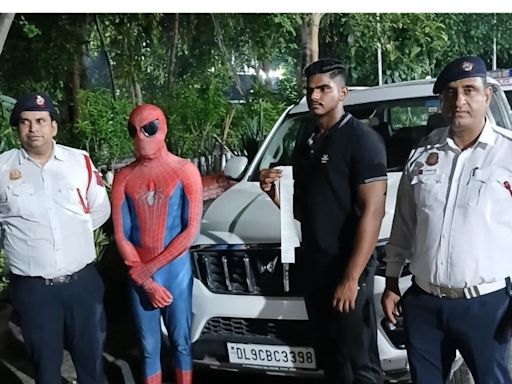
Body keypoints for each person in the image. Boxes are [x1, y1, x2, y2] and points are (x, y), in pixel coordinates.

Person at [381, 55, 512, 384]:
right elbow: (405, 223)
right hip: (424, 303)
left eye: (470, 90)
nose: (460, 101)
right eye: (451, 92)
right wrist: (393, 281)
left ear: (487, 96)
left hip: (488, 305)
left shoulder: (507, 155)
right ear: (441, 101)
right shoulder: (424, 154)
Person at [260, 58, 387, 383]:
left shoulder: (362, 140)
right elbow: (307, 211)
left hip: (347, 268)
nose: (314, 96)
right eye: (309, 89)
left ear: (342, 92)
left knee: (359, 362)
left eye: (323, 89)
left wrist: (351, 278)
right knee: (331, 360)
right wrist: (275, 195)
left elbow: (373, 212)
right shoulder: (308, 142)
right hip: (315, 267)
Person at [0, 93, 111, 384]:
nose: (33, 128)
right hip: (34, 291)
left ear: (53, 127)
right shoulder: (2, 169)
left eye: (40, 121)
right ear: (18, 129)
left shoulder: (79, 162)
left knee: (92, 368)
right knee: (46, 371)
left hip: (82, 287)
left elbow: (100, 210)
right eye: (25, 122)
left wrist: (70, 237)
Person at [111, 104, 203, 384]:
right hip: (141, 276)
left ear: (162, 129)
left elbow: (191, 232)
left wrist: (145, 272)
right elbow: (121, 234)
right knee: (149, 348)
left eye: (148, 128)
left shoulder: (185, 170)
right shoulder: (123, 178)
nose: (140, 136)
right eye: (134, 130)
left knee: (181, 342)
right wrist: (145, 280)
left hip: (172, 272)